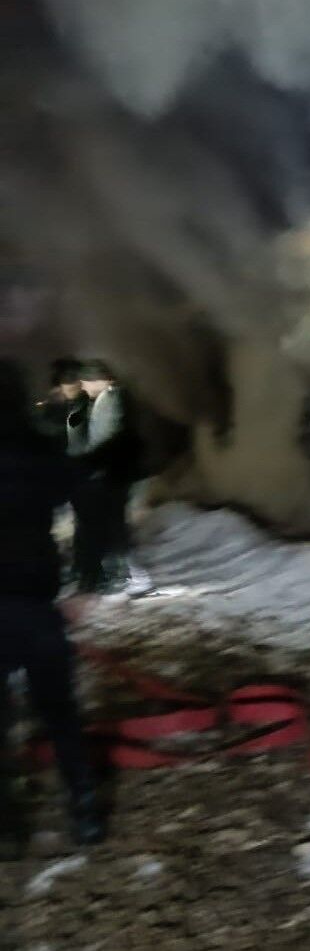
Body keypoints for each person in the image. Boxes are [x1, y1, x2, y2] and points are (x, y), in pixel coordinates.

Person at [0, 359, 106, 851]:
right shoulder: (39, 450)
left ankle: (7, 827)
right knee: (59, 710)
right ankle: (85, 814)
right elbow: (92, 503)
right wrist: (85, 582)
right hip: (37, 602)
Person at [74, 359, 152, 596]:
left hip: (114, 473)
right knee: (113, 525)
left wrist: (91, 462)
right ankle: (125, 576)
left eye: (86, 382)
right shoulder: (107, 399)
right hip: (113, 472)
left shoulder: (111, 400)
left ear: (99, 380)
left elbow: (110, 440)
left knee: (114, 525)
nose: (84, 387)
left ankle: (136, 577)